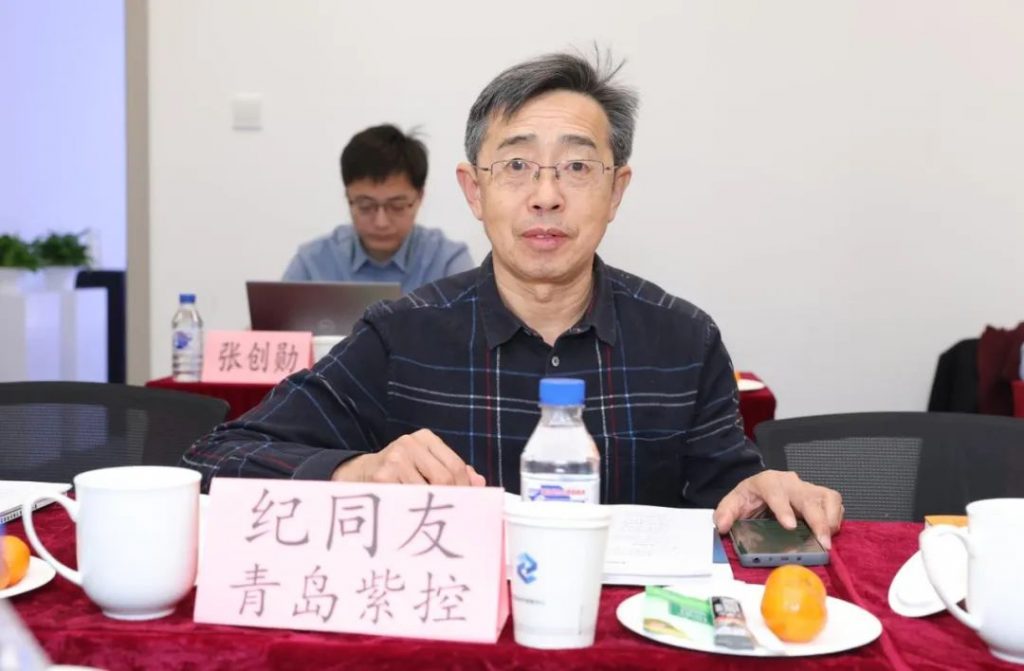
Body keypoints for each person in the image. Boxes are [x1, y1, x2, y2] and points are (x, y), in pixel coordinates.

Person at [186, 52, 844, 548]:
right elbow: (216, 458)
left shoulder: (683, 340)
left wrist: (762, 492)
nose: (546, 196)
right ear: (474, 191)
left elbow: (730, 497)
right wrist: (357, 470)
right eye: (518, 166)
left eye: (578, 167)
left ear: (617, 191)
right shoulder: (400, 336)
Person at [282, 124, 474, 293]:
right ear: (348, 197)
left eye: (397, 206)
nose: (381, 222)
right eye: (366, 206)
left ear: (419, 197)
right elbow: (274, 322)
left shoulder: (447, 262)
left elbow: (473, 321)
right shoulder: (312, 263)